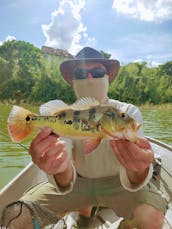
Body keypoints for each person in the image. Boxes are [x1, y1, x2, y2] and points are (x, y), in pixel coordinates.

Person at [2, 47, 168, 228]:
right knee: (16, 218)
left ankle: (100, 217)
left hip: (118, 183)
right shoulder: (68, 113)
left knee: (152, 217)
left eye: (97, 72)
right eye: (81, 73)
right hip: (77, 184)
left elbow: (137, 177)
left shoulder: (127, 112)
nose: (89, 78)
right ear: (73, 81)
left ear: (107, 78)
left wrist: (139, 170)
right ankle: (84, 210)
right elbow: (65, 172)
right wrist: (59, 169)